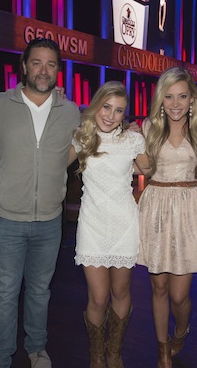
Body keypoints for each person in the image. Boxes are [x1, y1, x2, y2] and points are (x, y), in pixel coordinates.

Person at [0, 38, 80, 368]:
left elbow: (81, 148)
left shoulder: (70, 111)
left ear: (58, 71)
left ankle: (36, 347)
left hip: (51, 221)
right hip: (5, 219)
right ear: (23, 67)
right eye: (37, 62)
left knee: (40, 292)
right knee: (5, 295)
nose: (44, 70)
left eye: (51, 64)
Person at [68, 81, 149, 368]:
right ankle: (96, 354)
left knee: (121, 293)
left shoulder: (132, 140)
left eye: (119, 111)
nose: (111, 115)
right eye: (106, 107)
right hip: (92, 226)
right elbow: (50, 163)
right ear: (96, 104)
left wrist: (145, 135)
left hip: (124, 224)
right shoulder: (82, 138)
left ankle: (114, 352)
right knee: (99, 298)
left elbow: (152, 169)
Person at [136, 67, 197, 368]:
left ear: (192, 98)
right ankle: (162, 348)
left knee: (180, 296)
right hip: (155, 209)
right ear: (160, 99)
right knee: (159, 287)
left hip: (189, 210)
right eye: (168, 97)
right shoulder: (146, 128)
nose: (175, 103)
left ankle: (181, 329)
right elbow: (139, 166)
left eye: (182, 96)